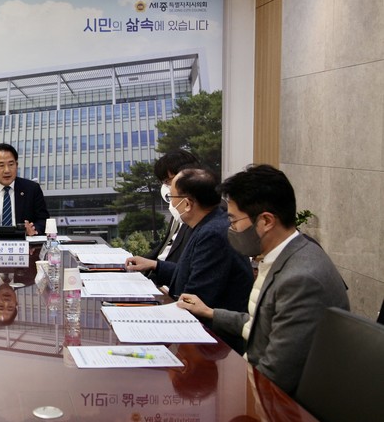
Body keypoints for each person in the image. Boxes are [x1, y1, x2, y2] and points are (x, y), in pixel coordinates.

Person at [177, 165, 349, 395]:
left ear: (266, 221)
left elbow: (275, 377)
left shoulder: (300, 280)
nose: (231, 229)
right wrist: (210, 312)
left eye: (234, 221)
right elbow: (261, 321)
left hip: (283, 409)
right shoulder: (288, 254)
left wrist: (231, 394)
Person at [127, 167, 253, 351]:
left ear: (187, 204)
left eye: (171, 197)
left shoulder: (213, 233)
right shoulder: (207, 223)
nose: (171, 203)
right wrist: (155, 265)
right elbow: (190, 272)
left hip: (213, 341)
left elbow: (196, 297)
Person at [128, 150, 200, 279]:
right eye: (164, 182)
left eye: (168, 181)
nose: (166, 188)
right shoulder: (179, 212)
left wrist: (156, 268)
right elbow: (164, 250)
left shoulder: (199, 217)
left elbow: (192, 273)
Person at [0, 143, 50, 240]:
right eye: (1, 165)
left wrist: (34, 229)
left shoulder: (32, 189)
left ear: (16, 165)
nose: (7, 170)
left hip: (24, 245)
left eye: (11, 164)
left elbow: (43, 220)